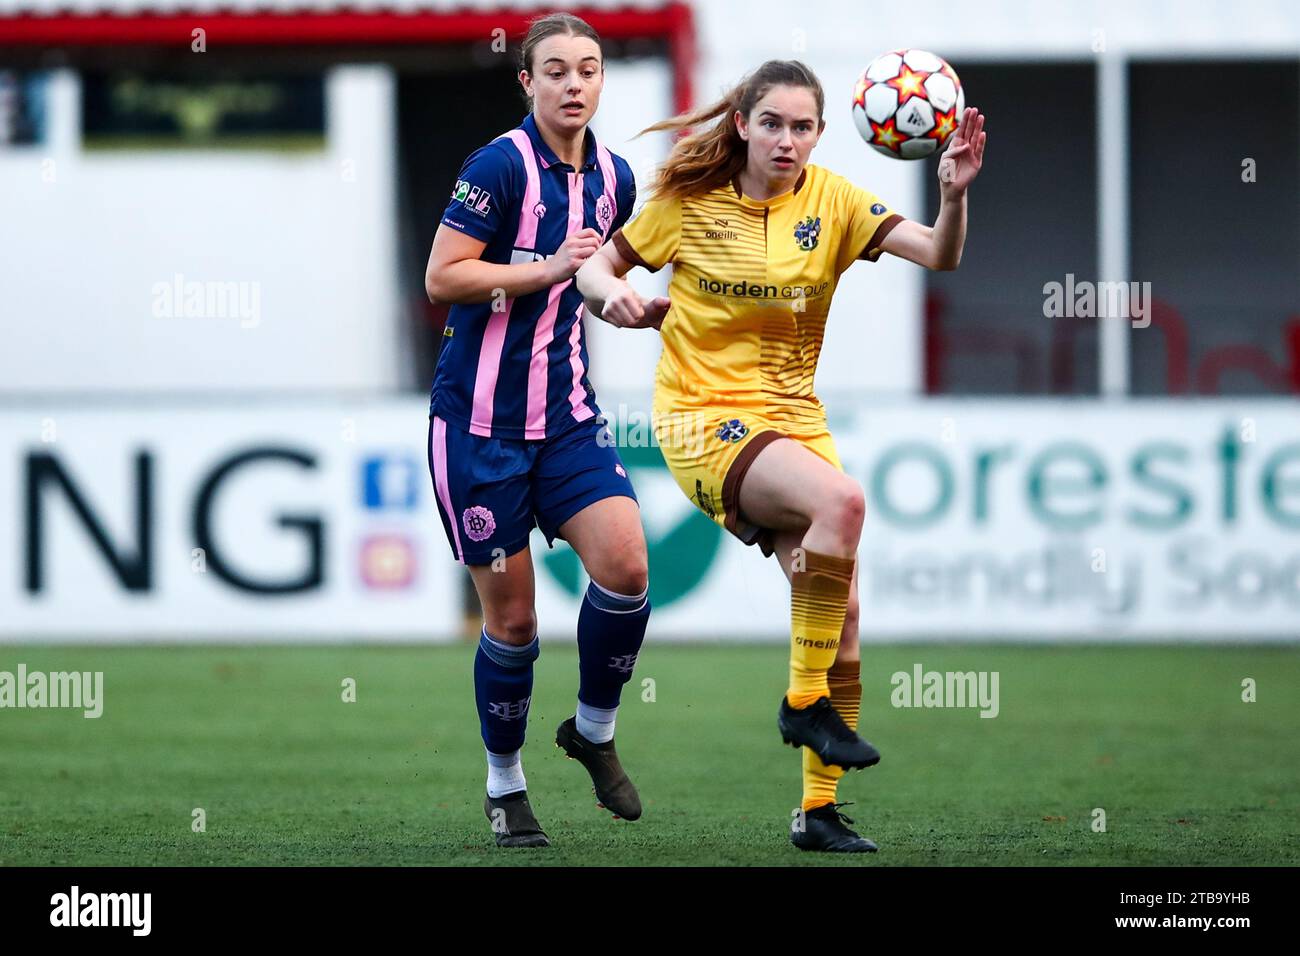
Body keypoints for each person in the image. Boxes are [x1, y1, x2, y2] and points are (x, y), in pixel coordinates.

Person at [576, 59, 986, 852]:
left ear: (821, 134)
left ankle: (818, 813)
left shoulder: (834, 199)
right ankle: (803, 703)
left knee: (847, 621)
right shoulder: (688, 204)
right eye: (772, 123)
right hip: (700, 421)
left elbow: (940, 254)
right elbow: (599, 263)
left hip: (794, 420)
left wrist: (955, 193)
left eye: (802, 127)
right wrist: (610, 294)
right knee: (845, 503)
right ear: (743, 126)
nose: (787, 140)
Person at [424, 13, 667, 849]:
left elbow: (595, 276)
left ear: (602, 82)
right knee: (516, 623)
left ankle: (593, 732)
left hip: (567, 419)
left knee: (629, 564)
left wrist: (626, 305)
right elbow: (444, 275)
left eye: (588, 69)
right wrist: (547, 269)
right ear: (526, 83)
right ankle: (505, 785)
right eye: (555, 70)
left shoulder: (617, 177)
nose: (574, 84)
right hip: (478, 428)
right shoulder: (499, 164)